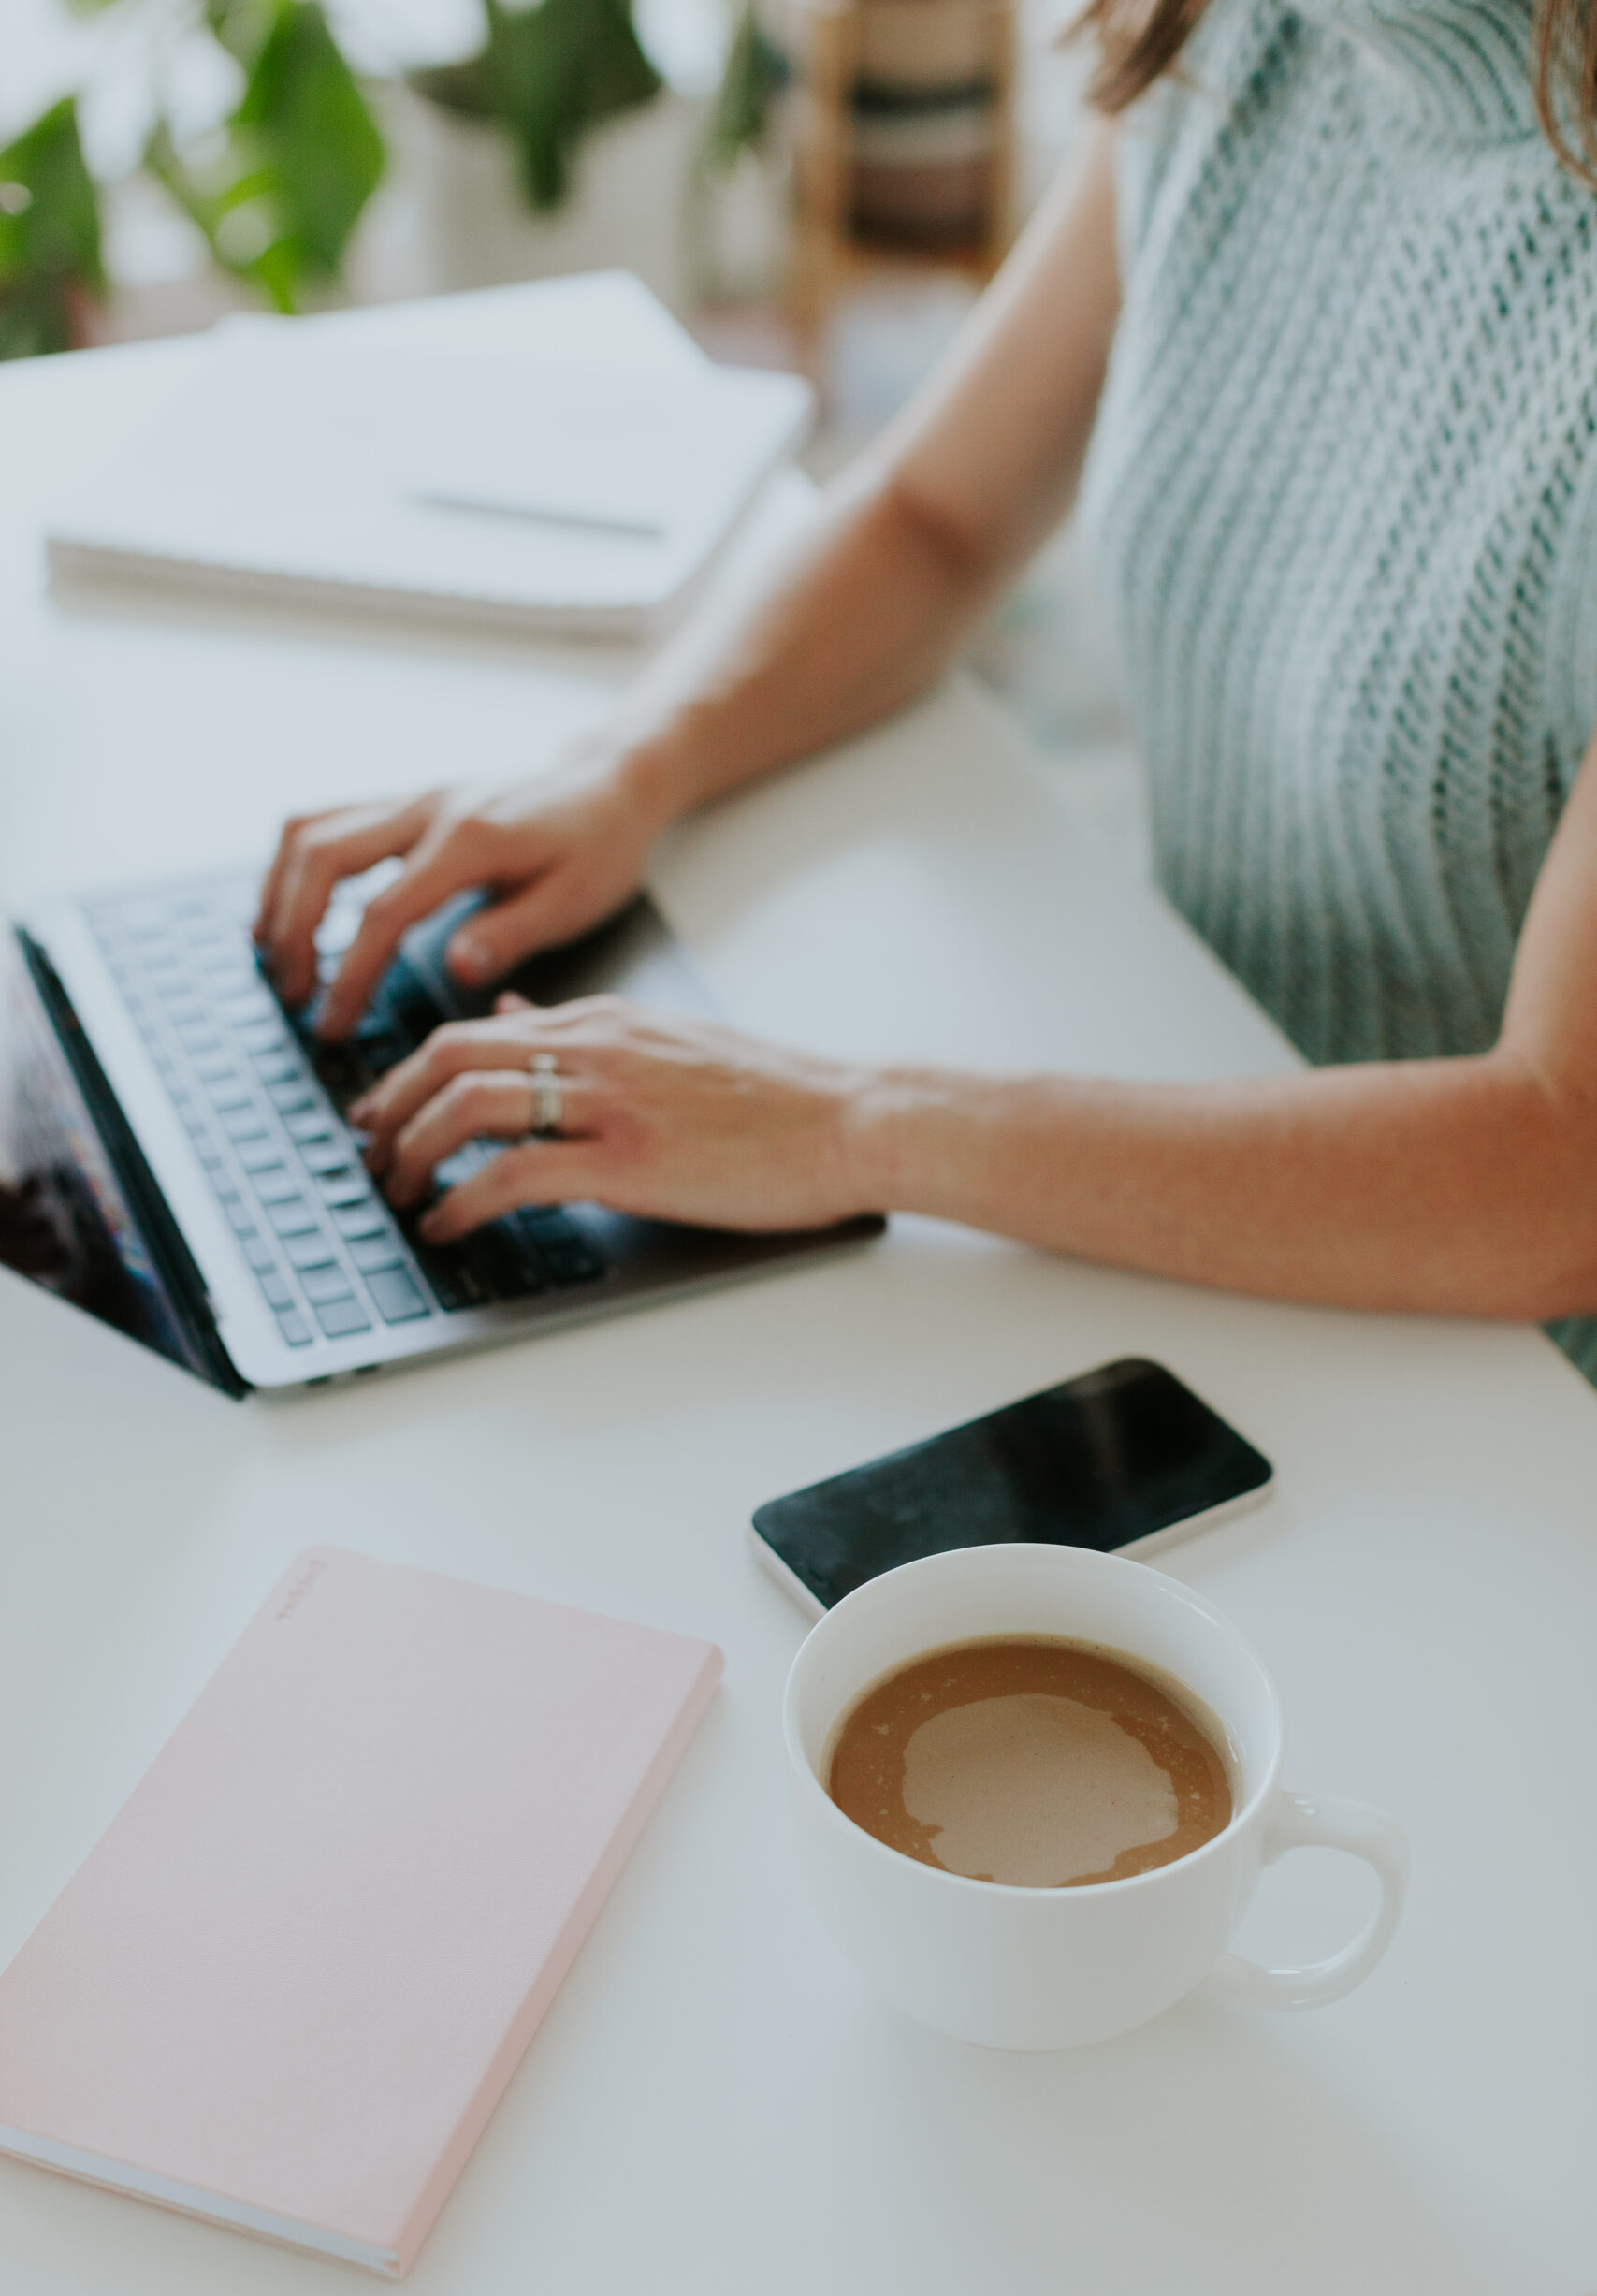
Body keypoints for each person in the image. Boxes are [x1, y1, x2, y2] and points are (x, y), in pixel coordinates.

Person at [256, 0, 1597, 1382]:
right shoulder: (1259, 32)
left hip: (1516, 1373)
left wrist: (847, 1120)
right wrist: (629, 766)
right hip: (1197, 1147)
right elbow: (938, 516)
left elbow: (1559, 1174)